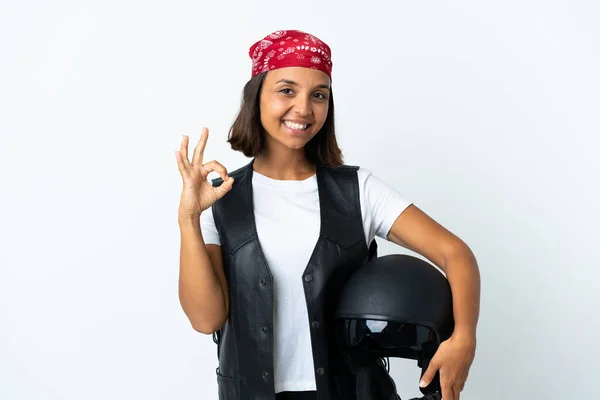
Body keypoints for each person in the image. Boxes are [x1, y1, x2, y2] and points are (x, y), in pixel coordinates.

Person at [175, 29, 480, 400]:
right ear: (257, 98)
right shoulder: (220, 199)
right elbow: (205, 319)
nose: (303, 108)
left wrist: (464, 337)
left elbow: (456, 254)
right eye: (286, 90)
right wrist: (188, 219)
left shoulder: (358, 191)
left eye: (318, 95)